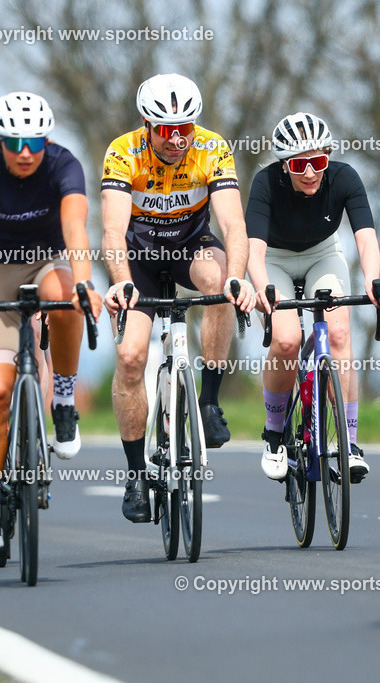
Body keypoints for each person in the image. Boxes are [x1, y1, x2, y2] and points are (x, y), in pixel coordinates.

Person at [0, 92, 102, 552]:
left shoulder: (63, 164)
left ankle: (64, 400)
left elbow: (75, 230)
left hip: (44, 261)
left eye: (34, 142)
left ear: (46, 140)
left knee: (68, 299)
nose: (24, 152)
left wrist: (85, 282)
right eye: (14, 143)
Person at [101, 73, 255, 523]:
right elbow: (112, 229)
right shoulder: (123, 151)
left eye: (184, 128)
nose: (176, 139)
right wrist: (121, 281)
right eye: (166, 130)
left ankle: (209, 401)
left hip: (191, 246)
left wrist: (238, 278)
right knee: (131, 357)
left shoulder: (212, 147)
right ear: (147, 125)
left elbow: (234, 225)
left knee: (221, 285)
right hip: (139, 258)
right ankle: (135, 474)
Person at [246, 112, 380, 483]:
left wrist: (373, 279)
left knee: (339, 334)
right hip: (275, 259)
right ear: (284, 165)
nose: (311, 172)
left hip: (322, 254)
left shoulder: (345, 178)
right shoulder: (265, 183)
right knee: (286, 340)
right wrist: (263, 288)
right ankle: (274, 435)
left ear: (328, 156)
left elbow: (366, 238)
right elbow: (253, 250)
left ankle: (350, 443)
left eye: (318, 161)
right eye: (299, 165)